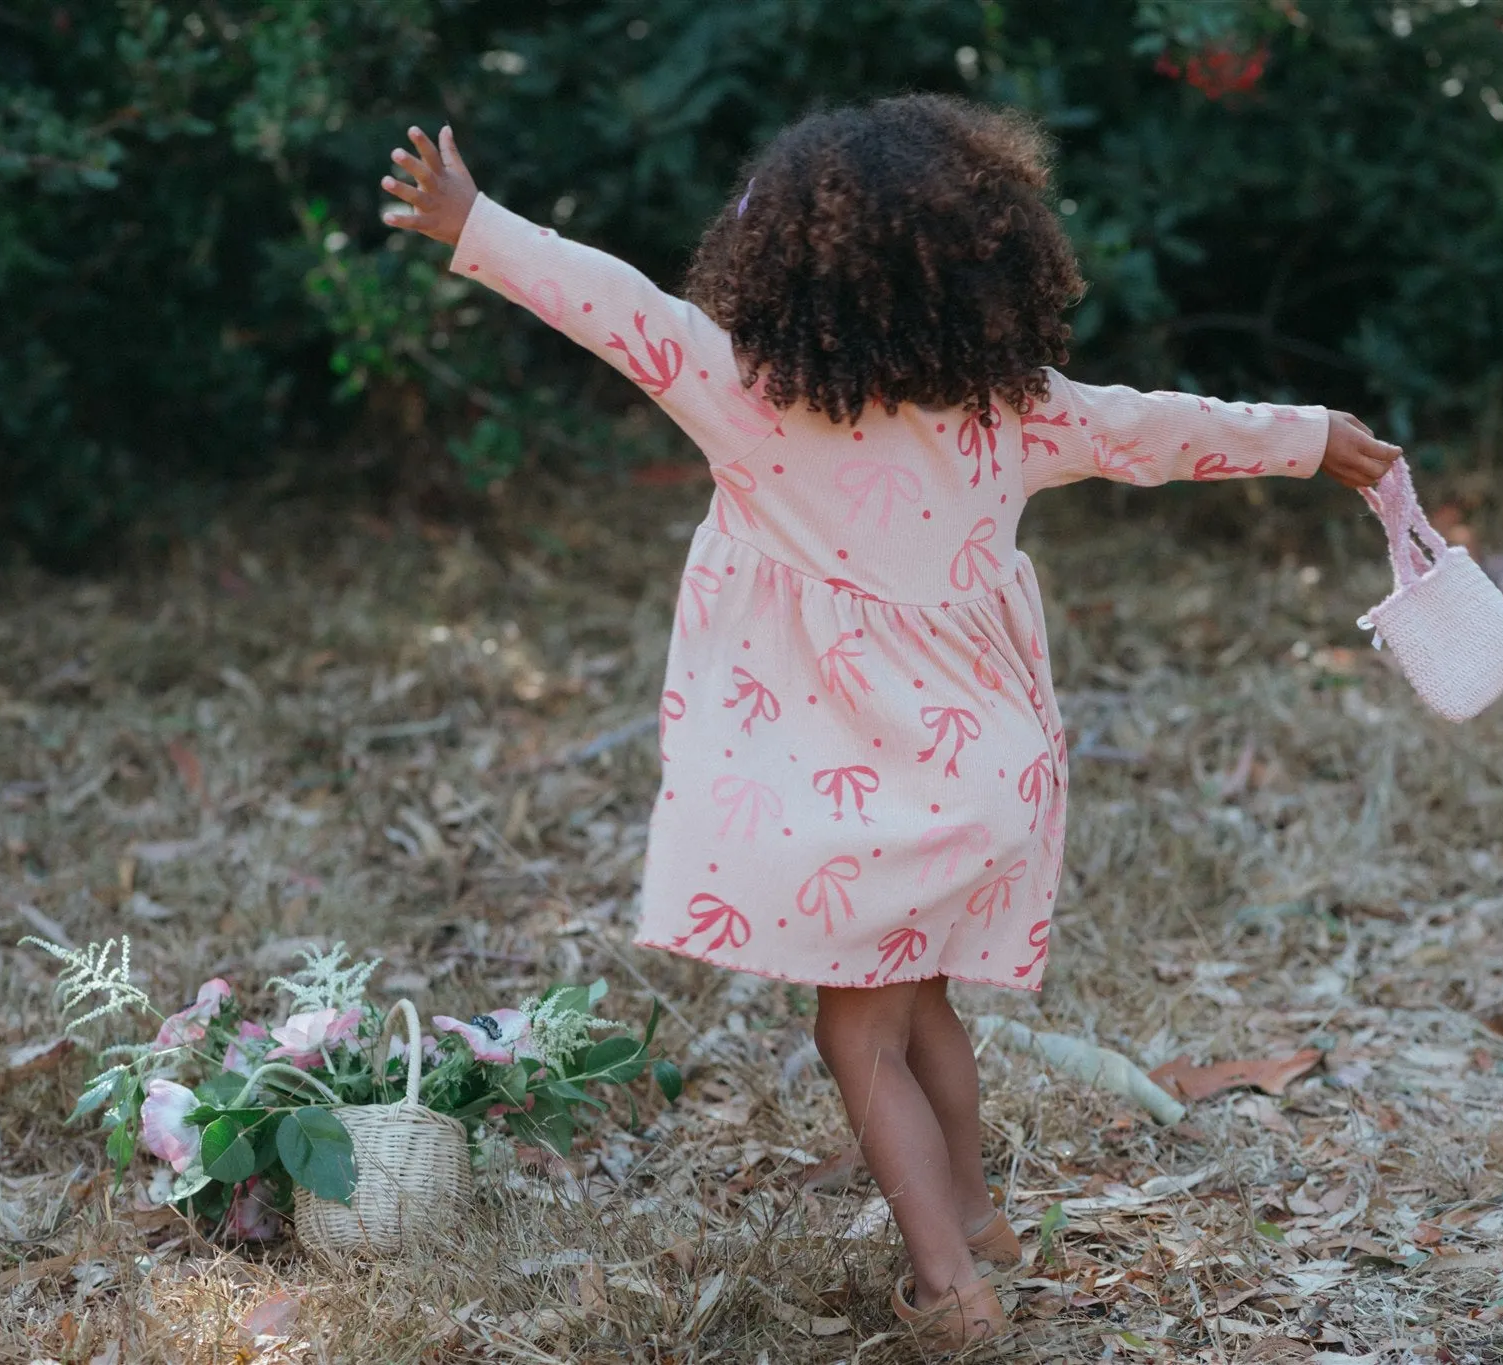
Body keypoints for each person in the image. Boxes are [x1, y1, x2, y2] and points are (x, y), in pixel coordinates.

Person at [382, 95, 1399, 1350]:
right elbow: (1161, 427)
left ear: (776, 275)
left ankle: (946, 1290)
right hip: (983, 783)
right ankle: (976, 1225)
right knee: (921, 1010)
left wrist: (471, 221)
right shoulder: (1013, 415)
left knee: (854, 1026)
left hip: (845, 803)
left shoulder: (744, 394)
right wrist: (1312, 440)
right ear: (988, 273)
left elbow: (615, 306)